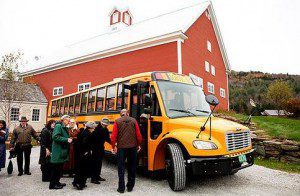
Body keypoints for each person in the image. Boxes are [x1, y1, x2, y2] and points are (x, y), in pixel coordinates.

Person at [111, 109, 142, 193]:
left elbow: (113, 137)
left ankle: (121, 188)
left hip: (121, 148)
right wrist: (138, 145)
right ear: (128, 114)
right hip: (133, 147)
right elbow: (139, 135)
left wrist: (113, 147)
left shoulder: (117, 121)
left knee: (121, 168)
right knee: (132, 167)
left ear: (121, 114)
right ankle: (130, 187)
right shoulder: (134, 120)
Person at [49, 115, 72, 190]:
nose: (69, 121)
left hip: (61, 151)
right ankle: (52, 185)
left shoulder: (63, 126)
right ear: (64, 120)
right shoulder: (58, 126)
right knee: (56, 169)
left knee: (59, 169)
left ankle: (57, 182)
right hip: (58, 151)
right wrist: (66, 139)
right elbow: (55, 137)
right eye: (68, 120)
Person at [73, 121, 97, 190]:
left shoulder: (85, 132)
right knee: (83, 169)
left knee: (82, 168)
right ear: (90, 128)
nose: (94, 129)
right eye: (93, 127)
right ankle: (79, 183)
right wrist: (86, 151)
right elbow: (84, 144)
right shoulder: (87, 134)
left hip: (82, 153)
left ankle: (80, 183)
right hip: (84, 154)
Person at [90, 117, 111, 184]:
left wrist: (114, 143)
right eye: (105, 125)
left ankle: (98, 176)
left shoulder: (105, 129)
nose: (106, 126)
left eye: (106, 125)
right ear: (101, 123)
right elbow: (92, 139)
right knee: (95, 163)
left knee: (99, 162)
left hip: (101, 147)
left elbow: (107, 138)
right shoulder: (96, 129)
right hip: (95, 148)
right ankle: (93, 178)